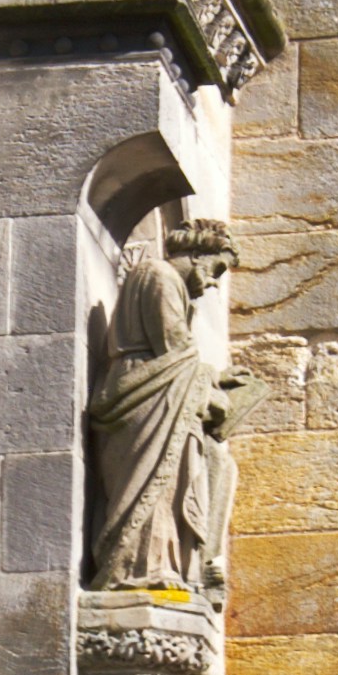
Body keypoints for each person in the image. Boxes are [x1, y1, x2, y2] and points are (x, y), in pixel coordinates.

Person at [85, 206, 238, 596]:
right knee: (153, 483)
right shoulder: (158, 274)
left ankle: (181, 566)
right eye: (216, 269)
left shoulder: (168, 282)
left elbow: (177, 355)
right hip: (145, 392)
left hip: (163, 389)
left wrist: (214, 379)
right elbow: (174, 344)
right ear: (197, 254)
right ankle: (137, 568)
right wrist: (209, 387)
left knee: (204, 467)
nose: (213, 282)